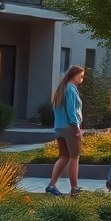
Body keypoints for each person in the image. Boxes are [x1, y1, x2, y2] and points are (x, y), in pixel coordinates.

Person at [46, 65, 85, 197]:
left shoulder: (62, 89)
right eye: (81, 75)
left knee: (64, 156)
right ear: (74, 74)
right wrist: (76, 128)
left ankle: (51, 185)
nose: (82, 78)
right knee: (75, 157)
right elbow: (72, 111)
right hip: (70, 128)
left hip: (59, 127)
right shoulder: (71, 90)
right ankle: (74, 188)